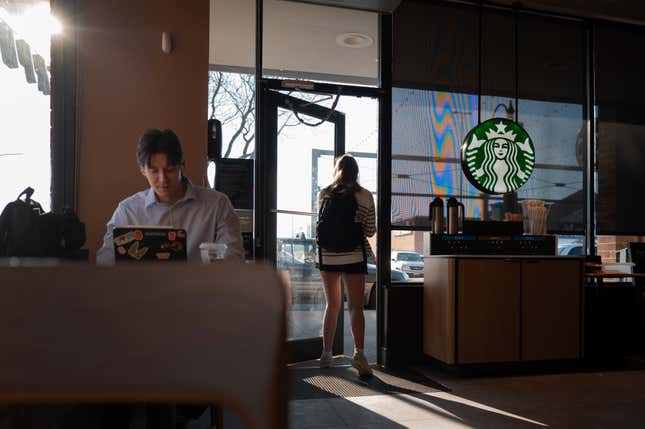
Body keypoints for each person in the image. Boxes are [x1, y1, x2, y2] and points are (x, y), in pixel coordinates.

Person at [96, 129, 244, 265]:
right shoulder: (128, 211)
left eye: (170, 169)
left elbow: (234, 258)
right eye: (154, 171)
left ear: (182, 166)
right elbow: (105, 262)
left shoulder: (217, 205)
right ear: (143, 170)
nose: (162, 179)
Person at [316, 154, 375, 377]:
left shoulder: (324, 193)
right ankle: (359, 355)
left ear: (337, 171)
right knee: (355, 307)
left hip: (328, 257)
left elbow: (320, 226)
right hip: (354, 255)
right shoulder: (365, 195)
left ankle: (326, 354)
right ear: (356, 172)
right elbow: (370, 231)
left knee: (332, 305)